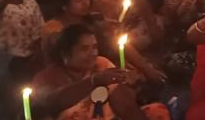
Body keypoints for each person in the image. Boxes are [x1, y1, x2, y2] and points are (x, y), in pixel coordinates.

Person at [31, 24, 170, 120]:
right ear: (64, 53)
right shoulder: (46, 77)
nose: (93, 53)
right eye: (84, 49)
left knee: (157, 110)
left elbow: (126, 108)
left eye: (95, 47)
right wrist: (93, 81)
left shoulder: (100, 64)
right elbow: (52, 102)